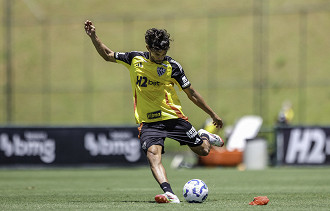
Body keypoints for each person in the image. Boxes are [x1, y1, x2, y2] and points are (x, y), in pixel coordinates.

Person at [84, 20, 224, 204]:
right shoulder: (135, 59)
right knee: (153, 153)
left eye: (164, 53)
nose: (161, 57)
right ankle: (169, 192)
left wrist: (212, 114)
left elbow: (192, 94)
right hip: (149, 122)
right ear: (148, 47)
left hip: (173, 118)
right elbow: (108, 54)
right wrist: (94, 36)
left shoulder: (173, 67)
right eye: (157, 53)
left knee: (204, 151)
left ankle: (204, 135)